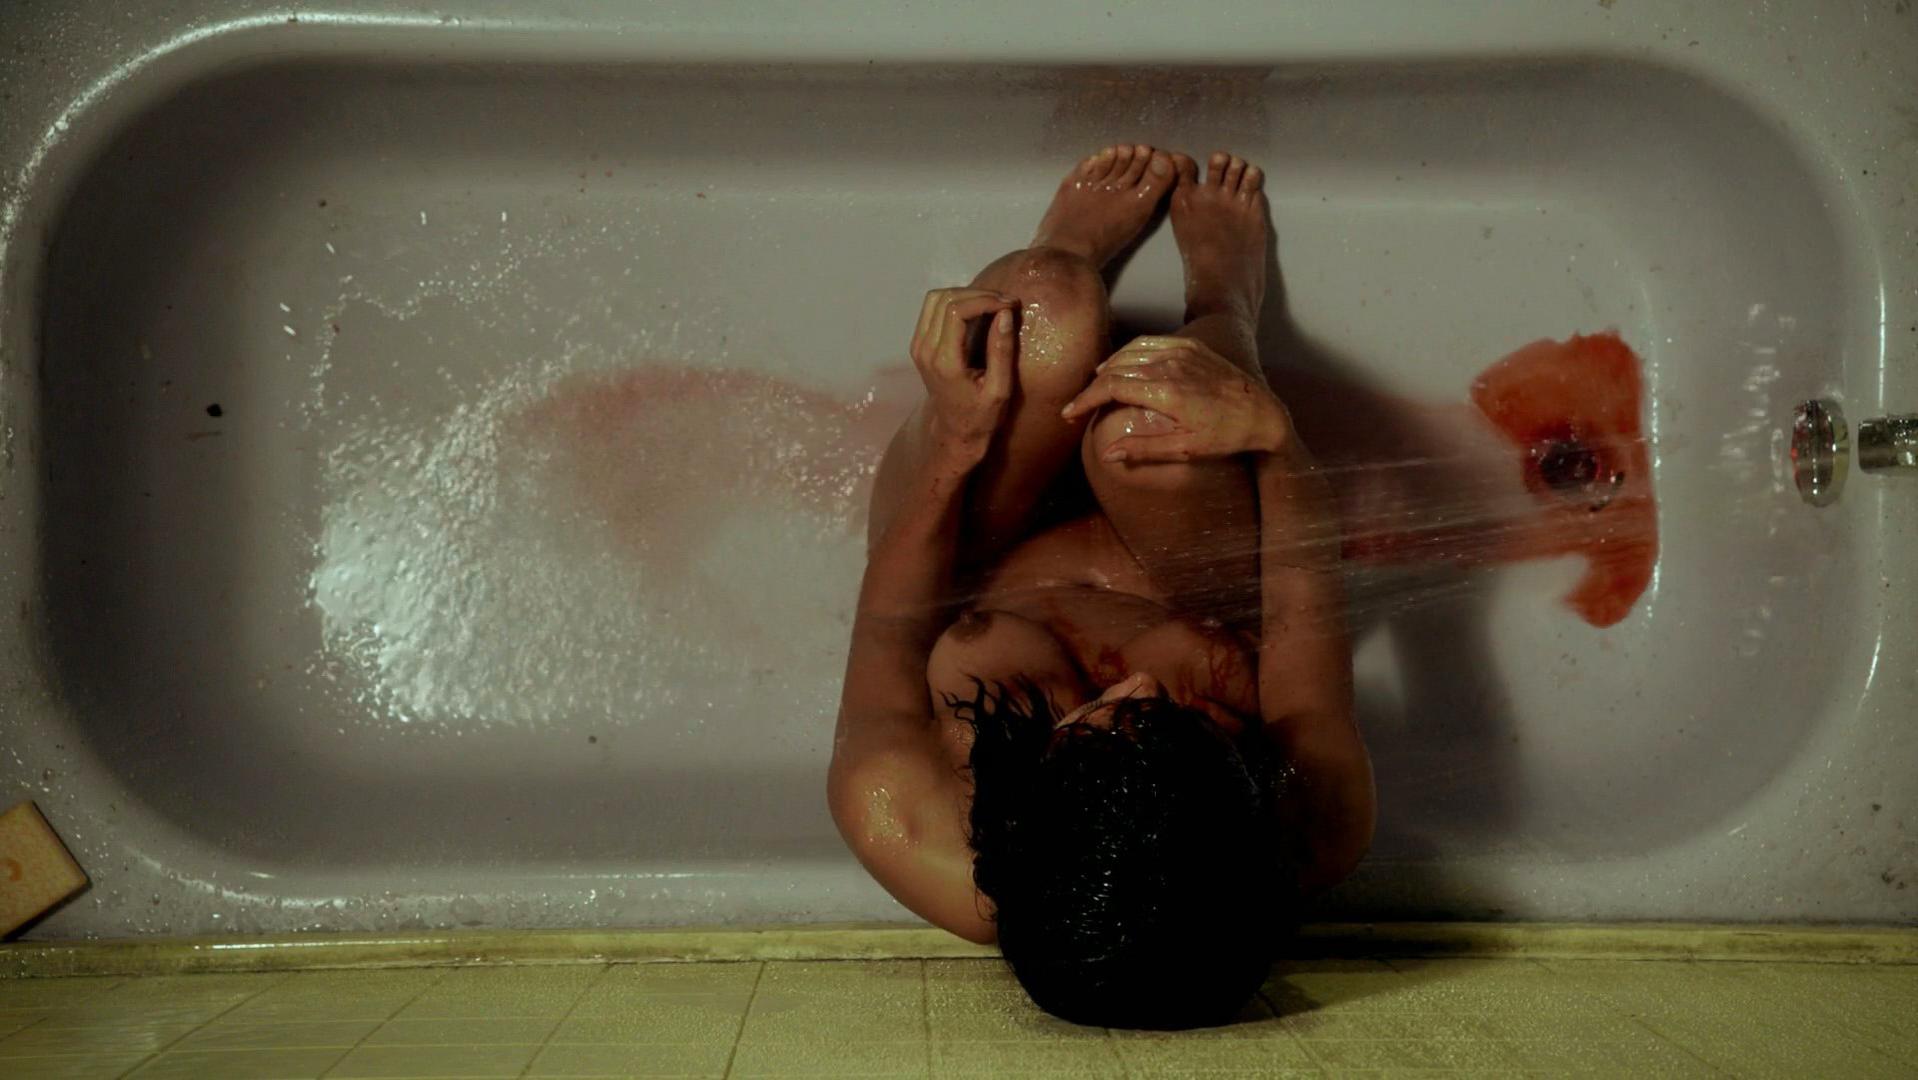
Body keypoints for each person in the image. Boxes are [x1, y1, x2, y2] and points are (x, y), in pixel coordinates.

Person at [828, 144, 1376, 1030]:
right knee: (1146, 431)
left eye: (1108, 719)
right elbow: (1300, 599)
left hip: (976, 549)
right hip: (1181, 558)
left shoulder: (900, 814)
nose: (1144, 683)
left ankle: (1069, 245)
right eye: (1192, 722)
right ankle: (1223, 300)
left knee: (1044, 302)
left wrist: (956, 446)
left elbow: (890, 624)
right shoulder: (1310, 819)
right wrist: (1269, 435)